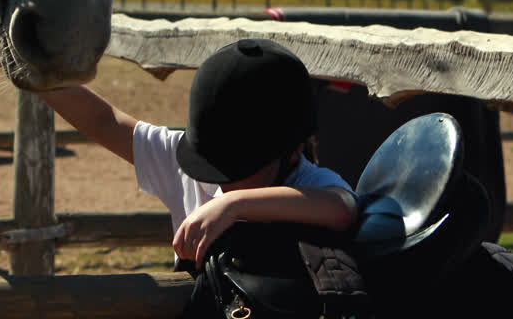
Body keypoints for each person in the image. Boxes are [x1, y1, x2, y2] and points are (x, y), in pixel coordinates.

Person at [38, 37, 357, 268]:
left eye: (238, 167)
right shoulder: (183, 164)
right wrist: (32, 68)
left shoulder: (308, 181)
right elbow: (105, 121)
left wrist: (233, 205)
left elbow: (341, 207)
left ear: (292, 150)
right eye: (213, 165)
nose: (223, 181)